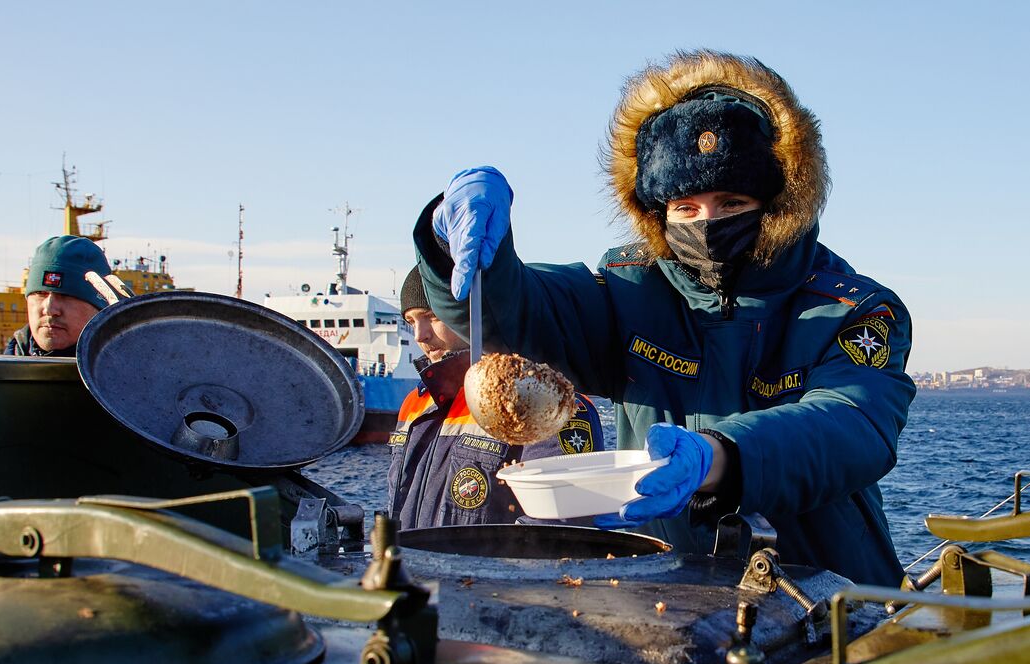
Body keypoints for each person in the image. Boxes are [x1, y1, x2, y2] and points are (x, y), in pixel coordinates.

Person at [415, 50, 914, 585]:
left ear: (777, 203)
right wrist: (449, 244)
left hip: (826, 591)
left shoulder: (852, 308)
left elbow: (852, 423)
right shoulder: (630, 291)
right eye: (685, 207)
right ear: (658, 213)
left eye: (732, 201)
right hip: (671, 594)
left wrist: (718, 457)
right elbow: (521, 316)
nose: (708, 223)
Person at [386, 265, 605, 530]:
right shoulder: (414, 403)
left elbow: (557, 529)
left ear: (470, 313)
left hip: (484, 570)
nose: (420, 335)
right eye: (411, 321)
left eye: (431, 316)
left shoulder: (541, 402)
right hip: (410, 567)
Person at [4, 235, 112, 356]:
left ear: (99, 311)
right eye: (40, 294)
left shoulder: (127, 372)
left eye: (66, 296)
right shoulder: (6, 369)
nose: (50, 309)